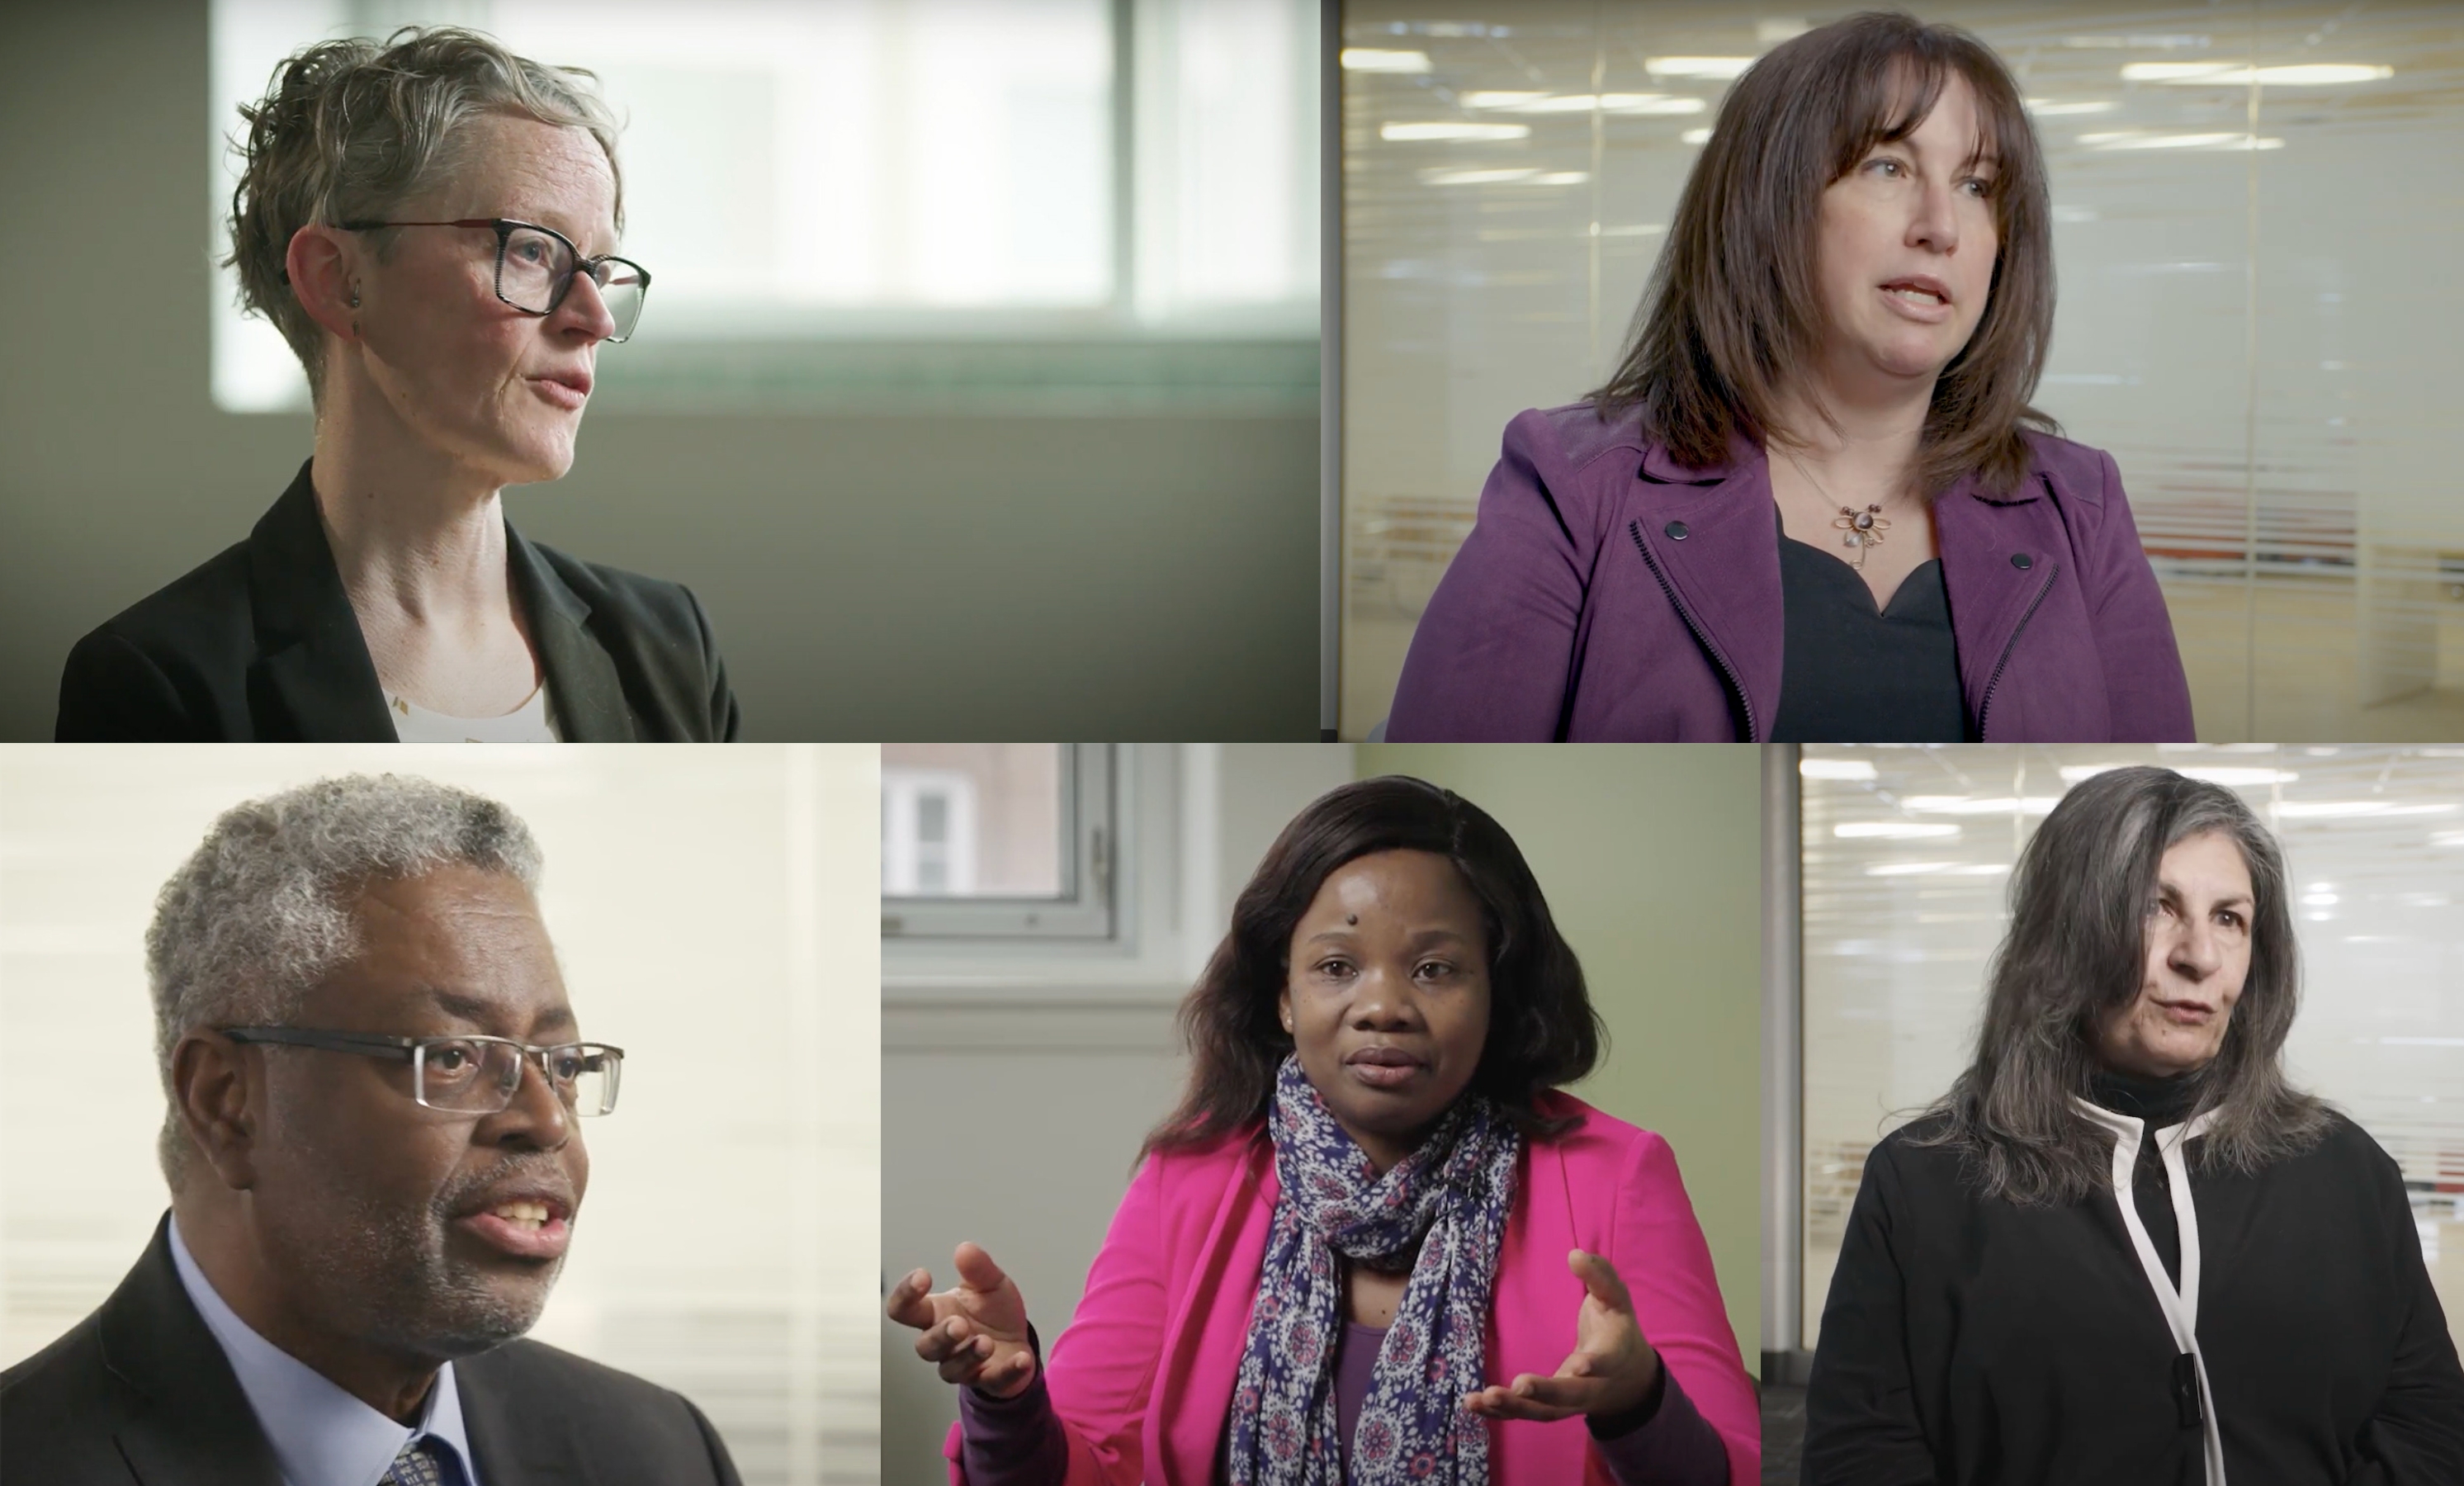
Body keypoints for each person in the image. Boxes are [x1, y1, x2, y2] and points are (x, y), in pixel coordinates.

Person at [890, 776, 1762, 1485]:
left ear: (1497, 992)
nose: (1382, 1006)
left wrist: (1635, 1402)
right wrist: (1006, 1401)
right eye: (1336, 966)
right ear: (1282, 993)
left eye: (1434, 968)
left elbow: (1726, 1473)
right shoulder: (1186, 1179)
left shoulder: (1615, 1176)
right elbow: (1083, 1470)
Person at [1385, 12, 2192, 743]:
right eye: (1886, 167)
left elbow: (2143, 794)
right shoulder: (1572, 487)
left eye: (1976, 186)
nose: (1940, 226)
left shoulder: (2079, 506)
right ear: (1767, 204)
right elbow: (1436, 795)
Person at [0, 775, 743, 1483]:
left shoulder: (659, 1450)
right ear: (227, 1102)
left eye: (563, 1064)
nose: (547, 1122)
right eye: (453, 1057)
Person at [55, 27, 736, 742]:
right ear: (339, 280)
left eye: (598, 269)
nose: (594, 317)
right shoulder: (159, 682)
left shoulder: (670, 647)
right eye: (534, 249)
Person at [1804, 766, 2464, 1484]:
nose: (2200, 956)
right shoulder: (1924, 1184)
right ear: (2063, 933)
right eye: (2156, 907)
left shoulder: (2346, 1172)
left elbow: (2430, 1431)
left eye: (2230, 917)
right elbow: (1863, 1457)